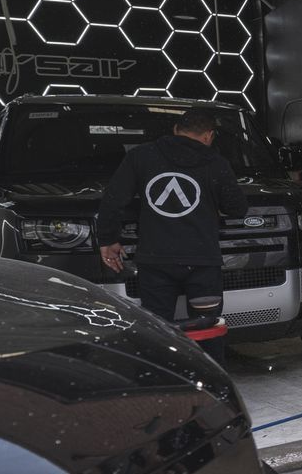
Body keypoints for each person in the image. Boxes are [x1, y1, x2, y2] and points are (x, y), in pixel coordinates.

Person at [94, 107, 247, 328]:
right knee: (207, 328)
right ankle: (206, 362)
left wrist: (108, 239)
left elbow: (113, 200)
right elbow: (237, 208)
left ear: (176, 130)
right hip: (201, 262)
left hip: (155, 262)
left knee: (159, 329)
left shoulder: (141, 156)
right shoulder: (216, 164)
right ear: (209, 135)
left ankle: (165, 363)